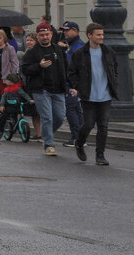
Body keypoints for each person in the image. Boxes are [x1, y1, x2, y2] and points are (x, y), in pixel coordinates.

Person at [68, 23, 124, 166]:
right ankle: (79, 143)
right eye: (98, 34)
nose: (101, 37)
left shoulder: (108, 52)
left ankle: (100, 155)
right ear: (90, 35)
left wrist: (113, 84)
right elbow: (72, 72)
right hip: (88, 95)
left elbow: (115, 70)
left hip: (105, 95)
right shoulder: (80, 53)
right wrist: (77, 87)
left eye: (102, 34)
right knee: (88, 124)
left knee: (103, 126)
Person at [20, 23, 69, 156]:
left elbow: (66, 68)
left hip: (58, 89)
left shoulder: (58, 50)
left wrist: (69, 85)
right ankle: (49, 144)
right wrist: (39, 66)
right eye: (41, 35)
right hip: (41, 90)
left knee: (59, 117)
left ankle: (47, 134)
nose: (45, 37)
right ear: (37, 36)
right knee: (47, 117)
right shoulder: (32, 52)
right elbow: (24, 69)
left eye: (47, 34)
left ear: (51, 35)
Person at [59, 21, 85, 149]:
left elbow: (77, 68)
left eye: (67, 30)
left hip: (73, 84)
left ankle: (77, 137)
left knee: (71, 109)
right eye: (64, 30)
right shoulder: (71, 46)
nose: (65, 32)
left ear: (76, 31)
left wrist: (74, 85)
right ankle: (80, 137)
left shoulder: (78, 47)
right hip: (71, 83)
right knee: (76, 109)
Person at [0, 73, 33, 141]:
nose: (5, 81)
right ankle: (0, 131)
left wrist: (29, 100)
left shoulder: (18, 89)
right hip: (8, 107)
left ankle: (20, 128)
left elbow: (24, 95)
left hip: (16, 106)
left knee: (17, 116)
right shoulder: (6, 90)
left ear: (10, 81)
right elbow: (3, 98)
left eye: (6, 80)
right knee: (3, 118)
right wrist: (1, 105)